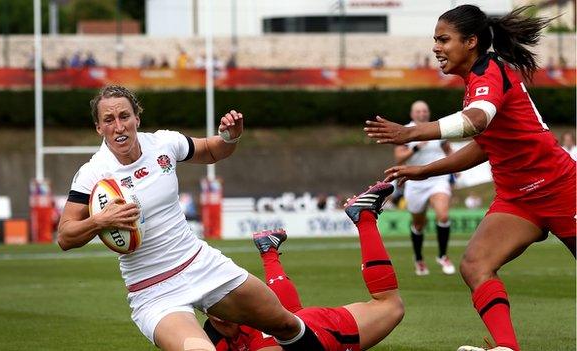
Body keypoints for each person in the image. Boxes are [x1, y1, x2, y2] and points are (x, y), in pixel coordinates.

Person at [364, 5, 575, 351]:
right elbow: (483, 145)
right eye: (435, 39)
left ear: (471, 41)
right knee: (476, 265)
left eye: (444, 39)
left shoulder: (489, 72)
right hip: (517, 199)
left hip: (561, 189)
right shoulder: (477, 79)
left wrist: (411, 132)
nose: (436, 47)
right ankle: (507, 347)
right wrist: (424, 171)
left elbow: (474, 121)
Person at [57, 85, 327, 351]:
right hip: (153, 290)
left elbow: (210, 150)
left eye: (124, 116)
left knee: (286, 323)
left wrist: (230, 138)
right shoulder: (93, 174)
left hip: (200, 263)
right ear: (98, 127)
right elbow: (65, 236)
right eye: (109, 120)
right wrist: (99, 221)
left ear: (136, 118)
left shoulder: (164, 143)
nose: (118, 126)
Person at [204, 182, 405, 351]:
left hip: (324, 331)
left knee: (391, 306)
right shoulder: (214, 333)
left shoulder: (253, 331)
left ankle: (365, 217)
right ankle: (268, 250)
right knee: (290, 313)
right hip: (304, 322)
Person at [395, 100, 455, 275]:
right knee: (419, 224)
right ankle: (419, 259)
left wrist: (455, 166)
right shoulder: (405, 131)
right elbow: (399, 158)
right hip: (415, 182)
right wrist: (416, 149)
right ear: (412, 114)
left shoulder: (437, 128)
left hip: (438, 178)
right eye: (418, 111)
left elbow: (448, 149)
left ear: (428, 113)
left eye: (424, 111)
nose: (422, 114)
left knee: (443, 216)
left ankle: (443, 256)